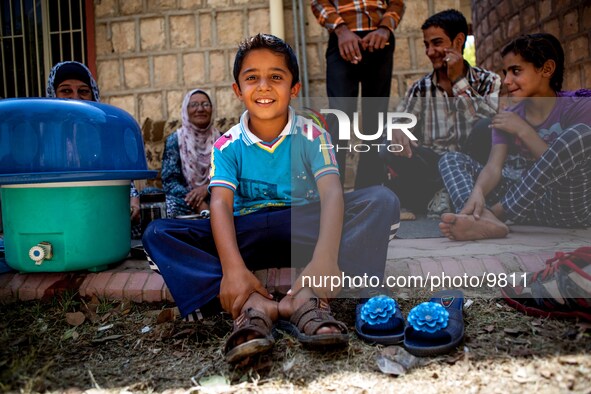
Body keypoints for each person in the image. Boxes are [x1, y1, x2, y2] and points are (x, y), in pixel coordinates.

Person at [142, 34, 400, 364]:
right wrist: (233, 269)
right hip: (246, 232)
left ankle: (306, 298)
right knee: (158, 235)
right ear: (238, 90)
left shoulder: (313, 134)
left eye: (276, 77)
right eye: (252, 78)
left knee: (380, 201)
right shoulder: (227, 144)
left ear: (293, 88)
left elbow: (333, 192)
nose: (264, 86)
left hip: (304, 225)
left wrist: (324, 258)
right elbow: (220, 203)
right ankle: (252, 302)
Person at [438, 33, 591, 241]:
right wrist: (478, 191)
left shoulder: (580, 106)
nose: (507, 81)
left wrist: (523, 131)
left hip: (568, 203)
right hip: (527, 206)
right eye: (506, 72)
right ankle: (476, 216)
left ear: (547, 69)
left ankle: (495, 215)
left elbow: (563, 170)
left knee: (581, 133)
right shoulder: (508, 116)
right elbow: (494, 167)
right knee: (451, 159)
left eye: (516, 71)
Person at [383, 9, 501, 215]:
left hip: (474, 166)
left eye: (436, 43)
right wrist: (397, 129)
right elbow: (398, 120)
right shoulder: (420, 88)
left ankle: (443, 195)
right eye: (426, 45)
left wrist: (458, 81)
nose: (429, 52)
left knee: (487, 127)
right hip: (433, 169)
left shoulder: (489, 81)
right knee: (386, 145)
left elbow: (490, 123)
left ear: (458, 42)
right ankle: (442, 192)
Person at [311, 0, 405, 189]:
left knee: (375, 119)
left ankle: (368, 191)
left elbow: (397, 3)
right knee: (340, 116)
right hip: (342, 38)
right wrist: (341, 29)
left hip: (380, 38)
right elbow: (318, 2)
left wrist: (385, 28)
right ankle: (332, 193)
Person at [46, 61, 142, 231]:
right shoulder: (43, 132)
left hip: (100, 203)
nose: (75, 97)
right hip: (56, 207)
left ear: (93, 95)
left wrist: (133, 200)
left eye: (83, 91)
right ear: (53, 93)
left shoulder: (104, 130)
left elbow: (121, 173)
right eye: (66, 90)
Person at [161, 89, 221, 218]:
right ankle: (206, 216)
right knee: (161, 203)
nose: (200, 109)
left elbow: (230, 174)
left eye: (205, 104)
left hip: (215, 196)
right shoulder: (175, 140)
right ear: (185, 110)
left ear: (212, 109)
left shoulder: (223, 140)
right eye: (193, 105)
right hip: (184, 200)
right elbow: (170, 181)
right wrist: (197, 202)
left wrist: (207, 188)